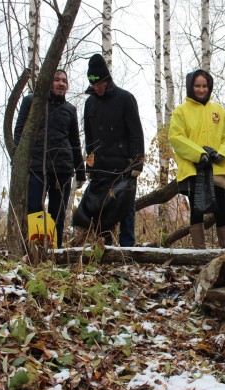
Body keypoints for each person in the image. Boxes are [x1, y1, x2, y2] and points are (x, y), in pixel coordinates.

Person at [14, 69, 86, 248]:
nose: (61, 83)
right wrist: (17, 161)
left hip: (63, 169)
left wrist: (80, 171)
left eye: (64, 81)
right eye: (56, 80)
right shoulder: (32, 101)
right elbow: (19, 132)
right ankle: (36, 251)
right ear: (48, 82)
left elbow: (75, 141)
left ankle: (56, 252)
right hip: (36, 167)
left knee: (58, 214)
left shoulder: (70, 109)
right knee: (34, 210)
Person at [168, 69, 225, 249]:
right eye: (197, 86)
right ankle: (199, 253)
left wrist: (220, 154)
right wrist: (200, 154)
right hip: (193, 168)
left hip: (216, 167)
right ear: (191, 86)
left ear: (209, 87)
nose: (201, 89)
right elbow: (176, 138)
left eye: (204, 86)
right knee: (196, 211)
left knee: (221, 210)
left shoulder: (218, 111)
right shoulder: (181, 111)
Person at [82, 53, 145, 245]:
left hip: (124, 166)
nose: (97, 88)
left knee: (126, 210)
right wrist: (90, 167)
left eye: (100, 83)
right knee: (101, 210)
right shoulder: (89, 103)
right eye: (94, 84)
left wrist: (137, 164)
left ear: (107, 79)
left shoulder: (125, 98)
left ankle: (128, 251)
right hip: (100, 166)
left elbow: (136, 133)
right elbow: (89, 138)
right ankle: (105, 249)